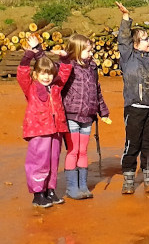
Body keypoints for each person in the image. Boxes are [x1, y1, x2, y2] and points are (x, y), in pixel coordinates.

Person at [17, 34, 73, 208]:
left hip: (55, 129)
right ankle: (38, 193)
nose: (46, 77)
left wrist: (64, 57)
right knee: (38, 161)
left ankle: (50, 190)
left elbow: (64, 71)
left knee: (53, 160)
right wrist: (29, 55)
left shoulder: (56, 86)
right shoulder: (31, 87)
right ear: (36, 74)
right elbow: (22, 72)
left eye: (49, 74)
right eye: (43, 73)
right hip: (38, 129)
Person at [116, 1, 149, 195]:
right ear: (135, 44)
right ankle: (128, 177)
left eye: (147, 40)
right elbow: (123, 39)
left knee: (148, 143)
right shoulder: (128, 57)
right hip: (134, 108)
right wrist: (126, 18)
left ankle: (148, 176)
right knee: (132, 143)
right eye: (144, 40)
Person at [59, 33, 112, 200]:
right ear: (77, 50)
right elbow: (58, 78)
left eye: (91, 51)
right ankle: (72, 187)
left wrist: (103, 112)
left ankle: (83, 185)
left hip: (88, 117)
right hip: (71, 116)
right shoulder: (68, 66)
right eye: (88, 51)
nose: (91, 54)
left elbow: (97, 91)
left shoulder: (92, 68)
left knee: (83, 151)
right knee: (73, 151)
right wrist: (63, 60)